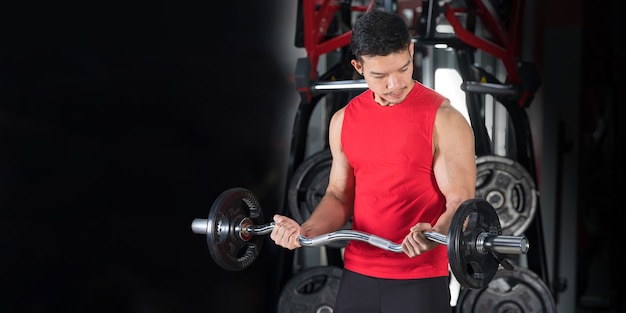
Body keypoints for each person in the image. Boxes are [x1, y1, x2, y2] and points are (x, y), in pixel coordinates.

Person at [270, 9, 476, 313]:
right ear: (358, 67)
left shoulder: (444, 119)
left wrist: (433, 234)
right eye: (380, 76)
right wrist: (305, 232)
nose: (395, 85)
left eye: (403, 69)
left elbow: (460, 202)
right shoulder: (343, 121)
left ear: (411, 51)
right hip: (357, 276)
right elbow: (339, 195)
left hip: (419, 279)